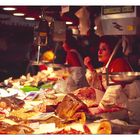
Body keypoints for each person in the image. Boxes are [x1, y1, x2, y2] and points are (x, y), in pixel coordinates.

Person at [84, 35, 140, 124]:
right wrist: (90, 68)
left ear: (113, 51)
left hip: (133, 111)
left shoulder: (119, 62)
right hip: (121, 108)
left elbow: (114, 89)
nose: (99, 52)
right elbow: (99, 87)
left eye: (104, 49)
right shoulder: (107, 67)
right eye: (99, 49)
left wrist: (100, 108)